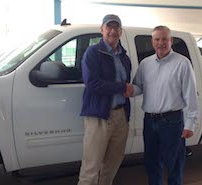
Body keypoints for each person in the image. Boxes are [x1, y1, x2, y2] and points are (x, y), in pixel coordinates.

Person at [131, 26, 199, 185]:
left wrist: (190, 124)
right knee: (152, 162)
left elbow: (190, 95)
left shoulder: (182, 63)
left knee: (174, 163)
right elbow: (138, 87)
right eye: (157, 39)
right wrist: (128, 90)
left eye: (164, 39)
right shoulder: (145, 64)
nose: (160, 43)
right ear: (152, 41)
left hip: (172, 122)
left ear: (171, 41)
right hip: (149, 121)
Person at [78, 14, 133, 185]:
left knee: (111, 165)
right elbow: (92, 83)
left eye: (116, 27)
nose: (113, 31)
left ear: (121, 32)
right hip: (99, 116)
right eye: (109, 27)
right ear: (102, 30)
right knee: (91, 167)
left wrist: (128, 90)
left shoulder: (124, 57)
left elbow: (127, 84)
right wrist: (122, 87)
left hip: (120, 116)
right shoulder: (93, 53)